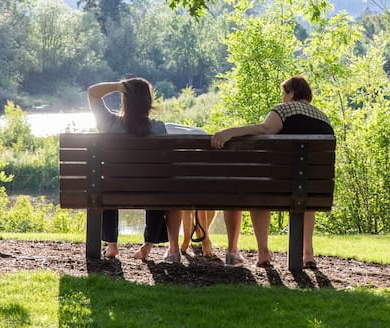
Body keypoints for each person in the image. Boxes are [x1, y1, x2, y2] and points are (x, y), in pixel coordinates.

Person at [211, 75, 333, 268]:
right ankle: (308, 253)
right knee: (305, 198)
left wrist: (230, 132)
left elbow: (266, 129)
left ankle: (263, 253)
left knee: (259, 194)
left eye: (284, 94)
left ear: (291, 93)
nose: (283, 98)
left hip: (278, 184)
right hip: (314, 187)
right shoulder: (324, 119)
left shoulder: (284, 109)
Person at [87, 78, 182, 263]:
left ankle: (112, 244)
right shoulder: (159, 128)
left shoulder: (108, 123)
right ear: (148, 102)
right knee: (157, 185)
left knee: (105, 184)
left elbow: (92, 92)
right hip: (150, 191)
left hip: (114, 189)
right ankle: (148, 245)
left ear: (125, 100)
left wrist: (119, 86)